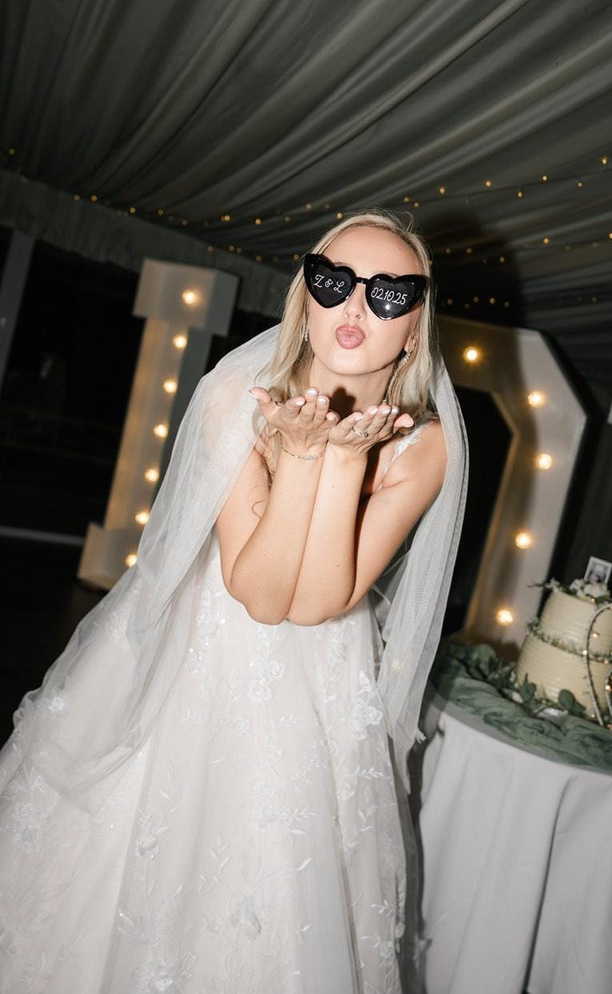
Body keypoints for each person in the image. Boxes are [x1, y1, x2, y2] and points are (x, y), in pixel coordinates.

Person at [0, 209, 468, 993]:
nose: (354, 308)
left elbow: (319, 602)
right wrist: (301, 451)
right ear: (305, 299)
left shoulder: (425, 446)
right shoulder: (233, 399)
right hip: (197, 655)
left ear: (415, 327)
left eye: (388, 293)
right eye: (334, 283)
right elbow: (255, 590)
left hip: (318, 680)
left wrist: (341, 463)